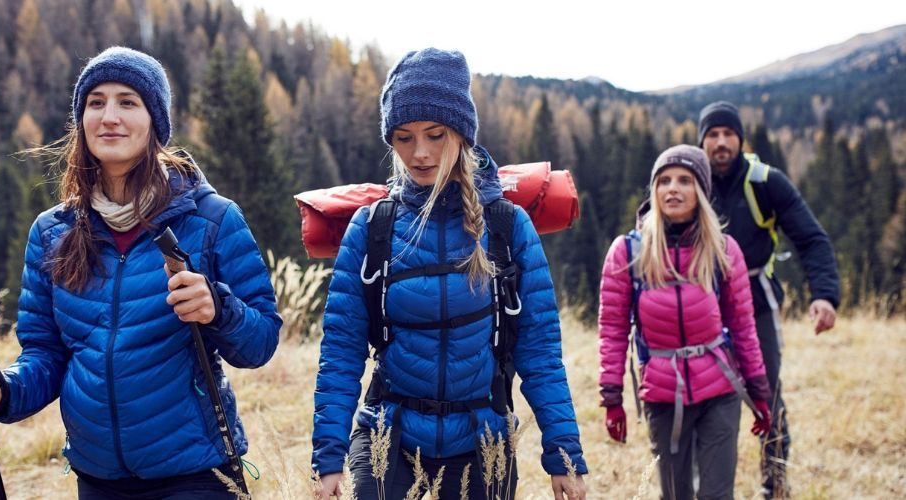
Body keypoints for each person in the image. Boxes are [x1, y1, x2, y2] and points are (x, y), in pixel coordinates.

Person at [0, 46, 282, 498]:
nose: (109, 117)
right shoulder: (52, 232)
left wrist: (219, 308)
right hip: (98, 478)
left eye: (128, 102)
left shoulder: (212, 220)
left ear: (155, 123)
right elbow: (46, 355)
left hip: (196, 475)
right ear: (81, 119)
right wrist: (2, 391)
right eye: (96, 102)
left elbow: (260, 343)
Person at [311, 48, 588, 500]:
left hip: (483, 446)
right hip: (389, 443)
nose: (419, 153)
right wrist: (328, 456)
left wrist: (565, 455)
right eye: (403, 138)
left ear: (462, 133)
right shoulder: (371, 228)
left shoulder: (506, 225)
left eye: (435, 134)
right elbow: (341, 350)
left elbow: (539, 350)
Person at [598, 145, 772, 499]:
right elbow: (613, 331)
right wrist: (612, 397)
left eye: (684, 180)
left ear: (701, 192)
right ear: (654, 191)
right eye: (663, 181)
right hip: (663, 393)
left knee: (716, 494)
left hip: (720, 390)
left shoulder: (723, 250)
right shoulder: (627, 252)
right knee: (675, 495)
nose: (672, 189)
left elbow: (743, 326)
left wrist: (759, 390)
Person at [697, 101, 840, 498]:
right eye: (712, 135)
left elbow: (812, 239)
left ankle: (774, 486)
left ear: (741, 140)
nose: (721, 143)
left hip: (756, 299)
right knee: (699, 399)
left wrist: (825, 295)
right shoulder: (690, 182)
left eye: (728, 134)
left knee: (767, 392)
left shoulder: (765, 182)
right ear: (702, 141)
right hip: (700, 304)